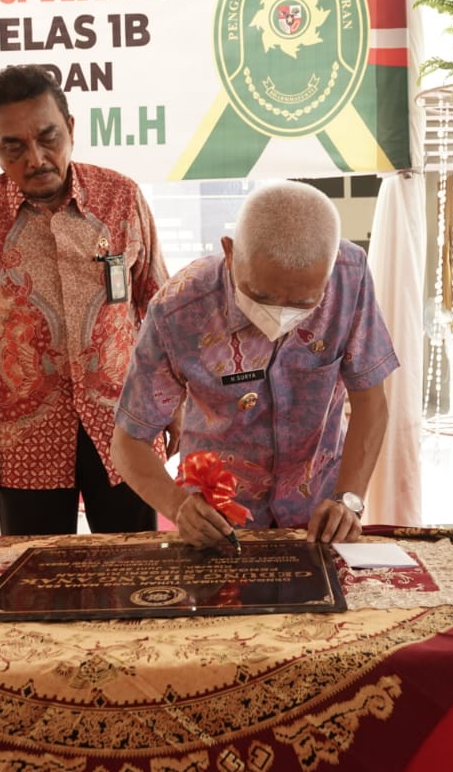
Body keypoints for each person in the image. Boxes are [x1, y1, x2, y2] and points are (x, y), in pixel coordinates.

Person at [0, 64, 174, 535]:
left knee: (135, 577)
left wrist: (173, 403)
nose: (37, 158)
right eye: (14, 146)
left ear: (71, 128)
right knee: (33, 583)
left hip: (125, 428)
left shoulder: (120, 198)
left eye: (49, 137)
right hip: (25, 440)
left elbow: (158, 310)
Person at [111, 180, 399, 548]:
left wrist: (349, 499)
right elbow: (128, 441)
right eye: (261, 295)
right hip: (217, 519)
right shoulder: (180, 310)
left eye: (304, 302)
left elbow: (371, 403)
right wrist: (178, 506)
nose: (279, 315)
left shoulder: (349, 275)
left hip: (319, 516)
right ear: (229, 253)